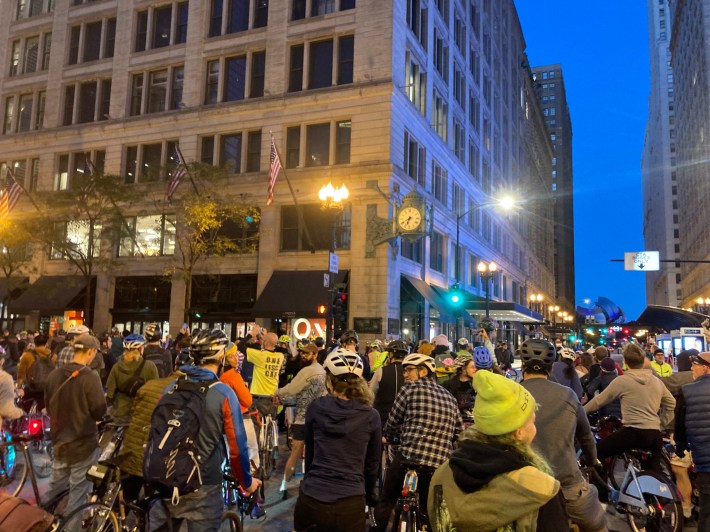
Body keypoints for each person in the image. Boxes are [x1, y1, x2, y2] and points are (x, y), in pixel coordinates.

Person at [428, 370, 568, 532]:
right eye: (532, 422)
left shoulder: (442, 476)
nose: (534, 429)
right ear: (519, 432)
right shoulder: (540, 488)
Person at [150, 329, 260, 530]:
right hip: (204, 483)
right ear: (220, 357)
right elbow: (237, 448)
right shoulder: (223, 394)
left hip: (165, 481)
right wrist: (246, 482)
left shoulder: (170, 389)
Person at [519, 339, 608, 532]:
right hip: (566, 485)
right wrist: (593, 461)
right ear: (551, 368)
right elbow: (586, 436)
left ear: (522, 365)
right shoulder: (568, 395)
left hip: (521, 486)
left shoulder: (512, 394)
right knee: (598, 525)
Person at [293, 349, 381, 532]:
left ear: (330, 381)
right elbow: (372, 463)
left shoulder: (316, 408)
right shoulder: (371, 416)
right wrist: (370, 495)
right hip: (350, 501)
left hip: (312, 497)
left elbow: (310, 453)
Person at [376, 353, 462, 530]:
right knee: (433, 511)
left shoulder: (409, 390)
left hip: (409, 459)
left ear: (423, 371)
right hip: (438, 466)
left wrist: (390, 438)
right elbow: (459, 432)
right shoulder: (450, 398)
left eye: (409, 370)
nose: (405, 375)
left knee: (386, 499)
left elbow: (392, 422)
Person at [584, 342, 676, 473]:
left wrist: (580, 411)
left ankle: (602, 491)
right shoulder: (657, 381)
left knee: (595, 454)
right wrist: (661, 424)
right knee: (653, 474)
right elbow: (671, 403)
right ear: (643, 361)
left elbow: (599, 401)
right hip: (654, 434)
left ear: (625, 362)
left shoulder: (622, 381)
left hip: (632, 432)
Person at [43, 333, 107, 515]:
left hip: (60, 442)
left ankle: (38, 522)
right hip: (83, 444)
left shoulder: (54, 374)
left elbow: (48, 406)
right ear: (91, 352)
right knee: (77, 499)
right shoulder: (90, 377)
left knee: (53, 492)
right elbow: (99, 411)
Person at [275, 343, 326, 499]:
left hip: (303, 419)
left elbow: (291, 389)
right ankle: (314, 486)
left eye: (306, 353)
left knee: (295, 453)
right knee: (316, 454)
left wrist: (277, 392)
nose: (303, 356)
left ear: (314, 354)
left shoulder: (306, 371)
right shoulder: (322, 371)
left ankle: (284, 484)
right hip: (318, 419)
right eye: (302, 353)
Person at [675, 351, 710, 529]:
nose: (691, 368)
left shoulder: (687, 391)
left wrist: (680, 447)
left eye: (695, 365)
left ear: (705, 368)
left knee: (707, 512)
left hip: (705, 460)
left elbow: (679, 425)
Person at [661, 349, 696, 519]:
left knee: (678, 467)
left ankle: (686, 507)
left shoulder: (683, 378)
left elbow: (658, 382)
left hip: (686, 432)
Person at [220, 342, 259, 469]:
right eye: (232, 356)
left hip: (222, 420)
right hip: (240, 418)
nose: (236, 358)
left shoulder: (217, 376)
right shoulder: (233, 376)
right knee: (252, 450)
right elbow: (247, 401)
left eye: (236, 354)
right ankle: (252, 479)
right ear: (225, 359)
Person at [105, 333, 159, 425]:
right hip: (141, 414)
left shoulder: (116, 367)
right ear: (140, 349)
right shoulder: (150, 366)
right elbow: (155, 393)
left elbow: (109, 394)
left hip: (120, 413)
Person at [245, 325, 284, 420]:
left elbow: (240, 346)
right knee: (271, 425)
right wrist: (267, 338)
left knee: (256, 427)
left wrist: (251, 334)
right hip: (272, 397)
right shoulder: (280, 356)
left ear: (264, 342)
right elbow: (274, 345)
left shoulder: (259, 356)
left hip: (258, 397)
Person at [370, 339, 407, 429]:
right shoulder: (409, 373)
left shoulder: (381, 371)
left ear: (391, 355)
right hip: (404, 420)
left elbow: (371, 393)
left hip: (382, 419)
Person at [16, 333, 55, 411]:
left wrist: (19, 388)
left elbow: (20, 375)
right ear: (46, 343)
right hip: (48, 390)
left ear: (34, 343)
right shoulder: (53, 356)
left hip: (30, 388)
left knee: (25, 409)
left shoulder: (27, 356)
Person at [441, 352, 476, 427]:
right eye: (472, 367)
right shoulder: (448, 385)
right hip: (455, 424)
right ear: (463, 368)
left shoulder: (477, 384)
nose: (475, 369)